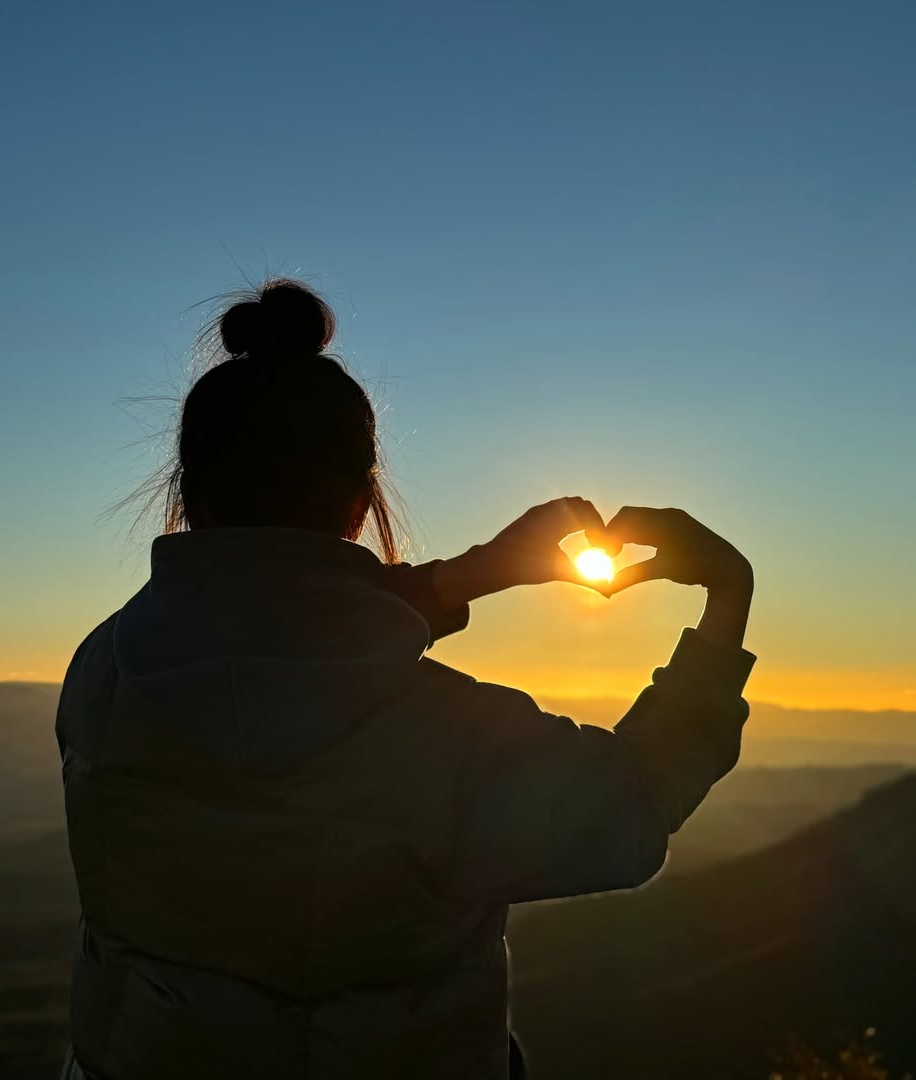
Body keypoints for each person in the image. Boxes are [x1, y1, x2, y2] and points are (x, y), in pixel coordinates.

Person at [55, 278, 756, 1080]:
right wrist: (726, 600)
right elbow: (632, 806)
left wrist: (470, 575)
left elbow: (269, 629)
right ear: (362, 503)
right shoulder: (452, 741)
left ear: (187, 491)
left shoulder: (102, 676)